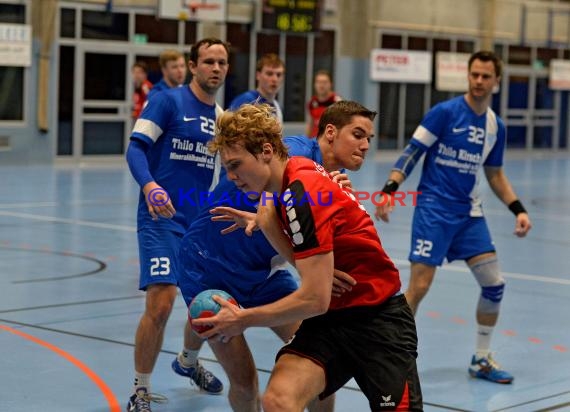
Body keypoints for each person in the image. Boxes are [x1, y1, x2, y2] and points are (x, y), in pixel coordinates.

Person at [193, 103, 423, 411]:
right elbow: (279, 223)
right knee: (278, 400)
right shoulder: (285, 183)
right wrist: (265, 223)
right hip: (331, 322)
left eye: (235, 165)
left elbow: (315, 299)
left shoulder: (301, 193)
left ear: (265, 151)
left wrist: (243, 319)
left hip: (378, 322)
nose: (231, 176)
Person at [375, 50, 532, 384]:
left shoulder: (495, 127)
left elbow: (495, 176)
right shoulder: (444, 113)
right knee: (419, 286)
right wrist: (390, 188)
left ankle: (481, 358)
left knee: (494, 285)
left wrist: (518, 209)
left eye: (485, 76)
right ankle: (393, 355)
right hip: (433, 209)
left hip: (469, 215)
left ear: (496, 81)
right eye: (474, 74)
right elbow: (412, 153)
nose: (478, 81)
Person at [125, 38, 230, 412]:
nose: (215, 68)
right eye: (208, 61)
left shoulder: (221, 116)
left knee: (208, 304)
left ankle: (186, 361)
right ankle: (140, 389)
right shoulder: (167, 101)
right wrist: (150, 186)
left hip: (199, 223)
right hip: (161, 219)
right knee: (163, 303)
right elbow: (135, 148)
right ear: (192, 65)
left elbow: (229, 173)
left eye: (222, 62)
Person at [228, 53, 285, 123]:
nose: (275, 79)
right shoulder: (246, 101)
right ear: (258, 75)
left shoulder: (277, 107)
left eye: (278, 75)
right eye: (269, 74)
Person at [306, 70, 342, 138]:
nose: (321, 85)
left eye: (325, 82)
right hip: (315, 141)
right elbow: (310, 124)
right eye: (318, 82)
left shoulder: (337, 102)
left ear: (331, 84)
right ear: (314, 84)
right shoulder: (312, 102)